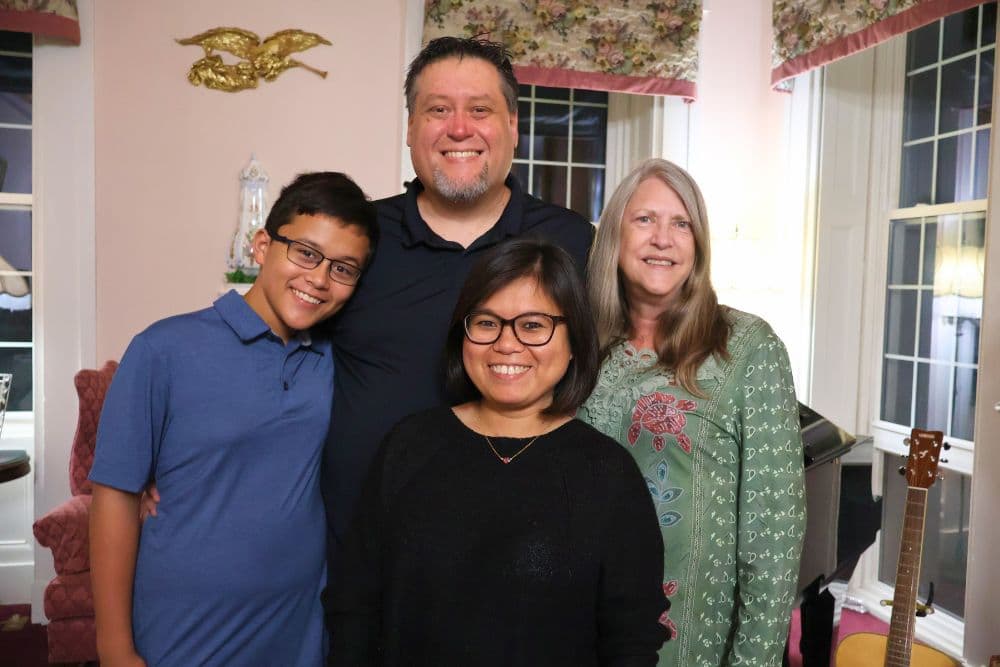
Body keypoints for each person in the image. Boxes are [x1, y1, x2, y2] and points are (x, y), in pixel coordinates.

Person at [326, 238, 669, 666]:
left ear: (574, 341)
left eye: (533, 325)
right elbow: (355, 608)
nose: (507, 344)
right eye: (487, 323)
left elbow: (632, 641)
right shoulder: (408, 447)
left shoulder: (608, 474)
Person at [323, 36, 594, 568]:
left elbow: (633, 360)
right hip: (365, 566)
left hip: (521, 562)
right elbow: (278, 350)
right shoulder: (359, 238)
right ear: (409, 129)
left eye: (480, 110)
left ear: (513, 126)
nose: (459, 128)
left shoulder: (571, 243)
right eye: (438, 110)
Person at [88, 172, 378, 667]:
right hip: (185, 630)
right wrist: (114, 647)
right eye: (305, 253)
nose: (319, 279)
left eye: (344, 268)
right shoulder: (164, 349)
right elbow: (114, 493)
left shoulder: (338, 361)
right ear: (261, 245)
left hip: (298, 632)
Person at [577, 159, 806, 666]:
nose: (663, 238)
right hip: (582, 630)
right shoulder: (579, 344)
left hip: (687, 642)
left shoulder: (747, 346)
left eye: (681, 224)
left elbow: (774, 533)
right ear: (614, 234)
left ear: (698, 244)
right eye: (645, 220)